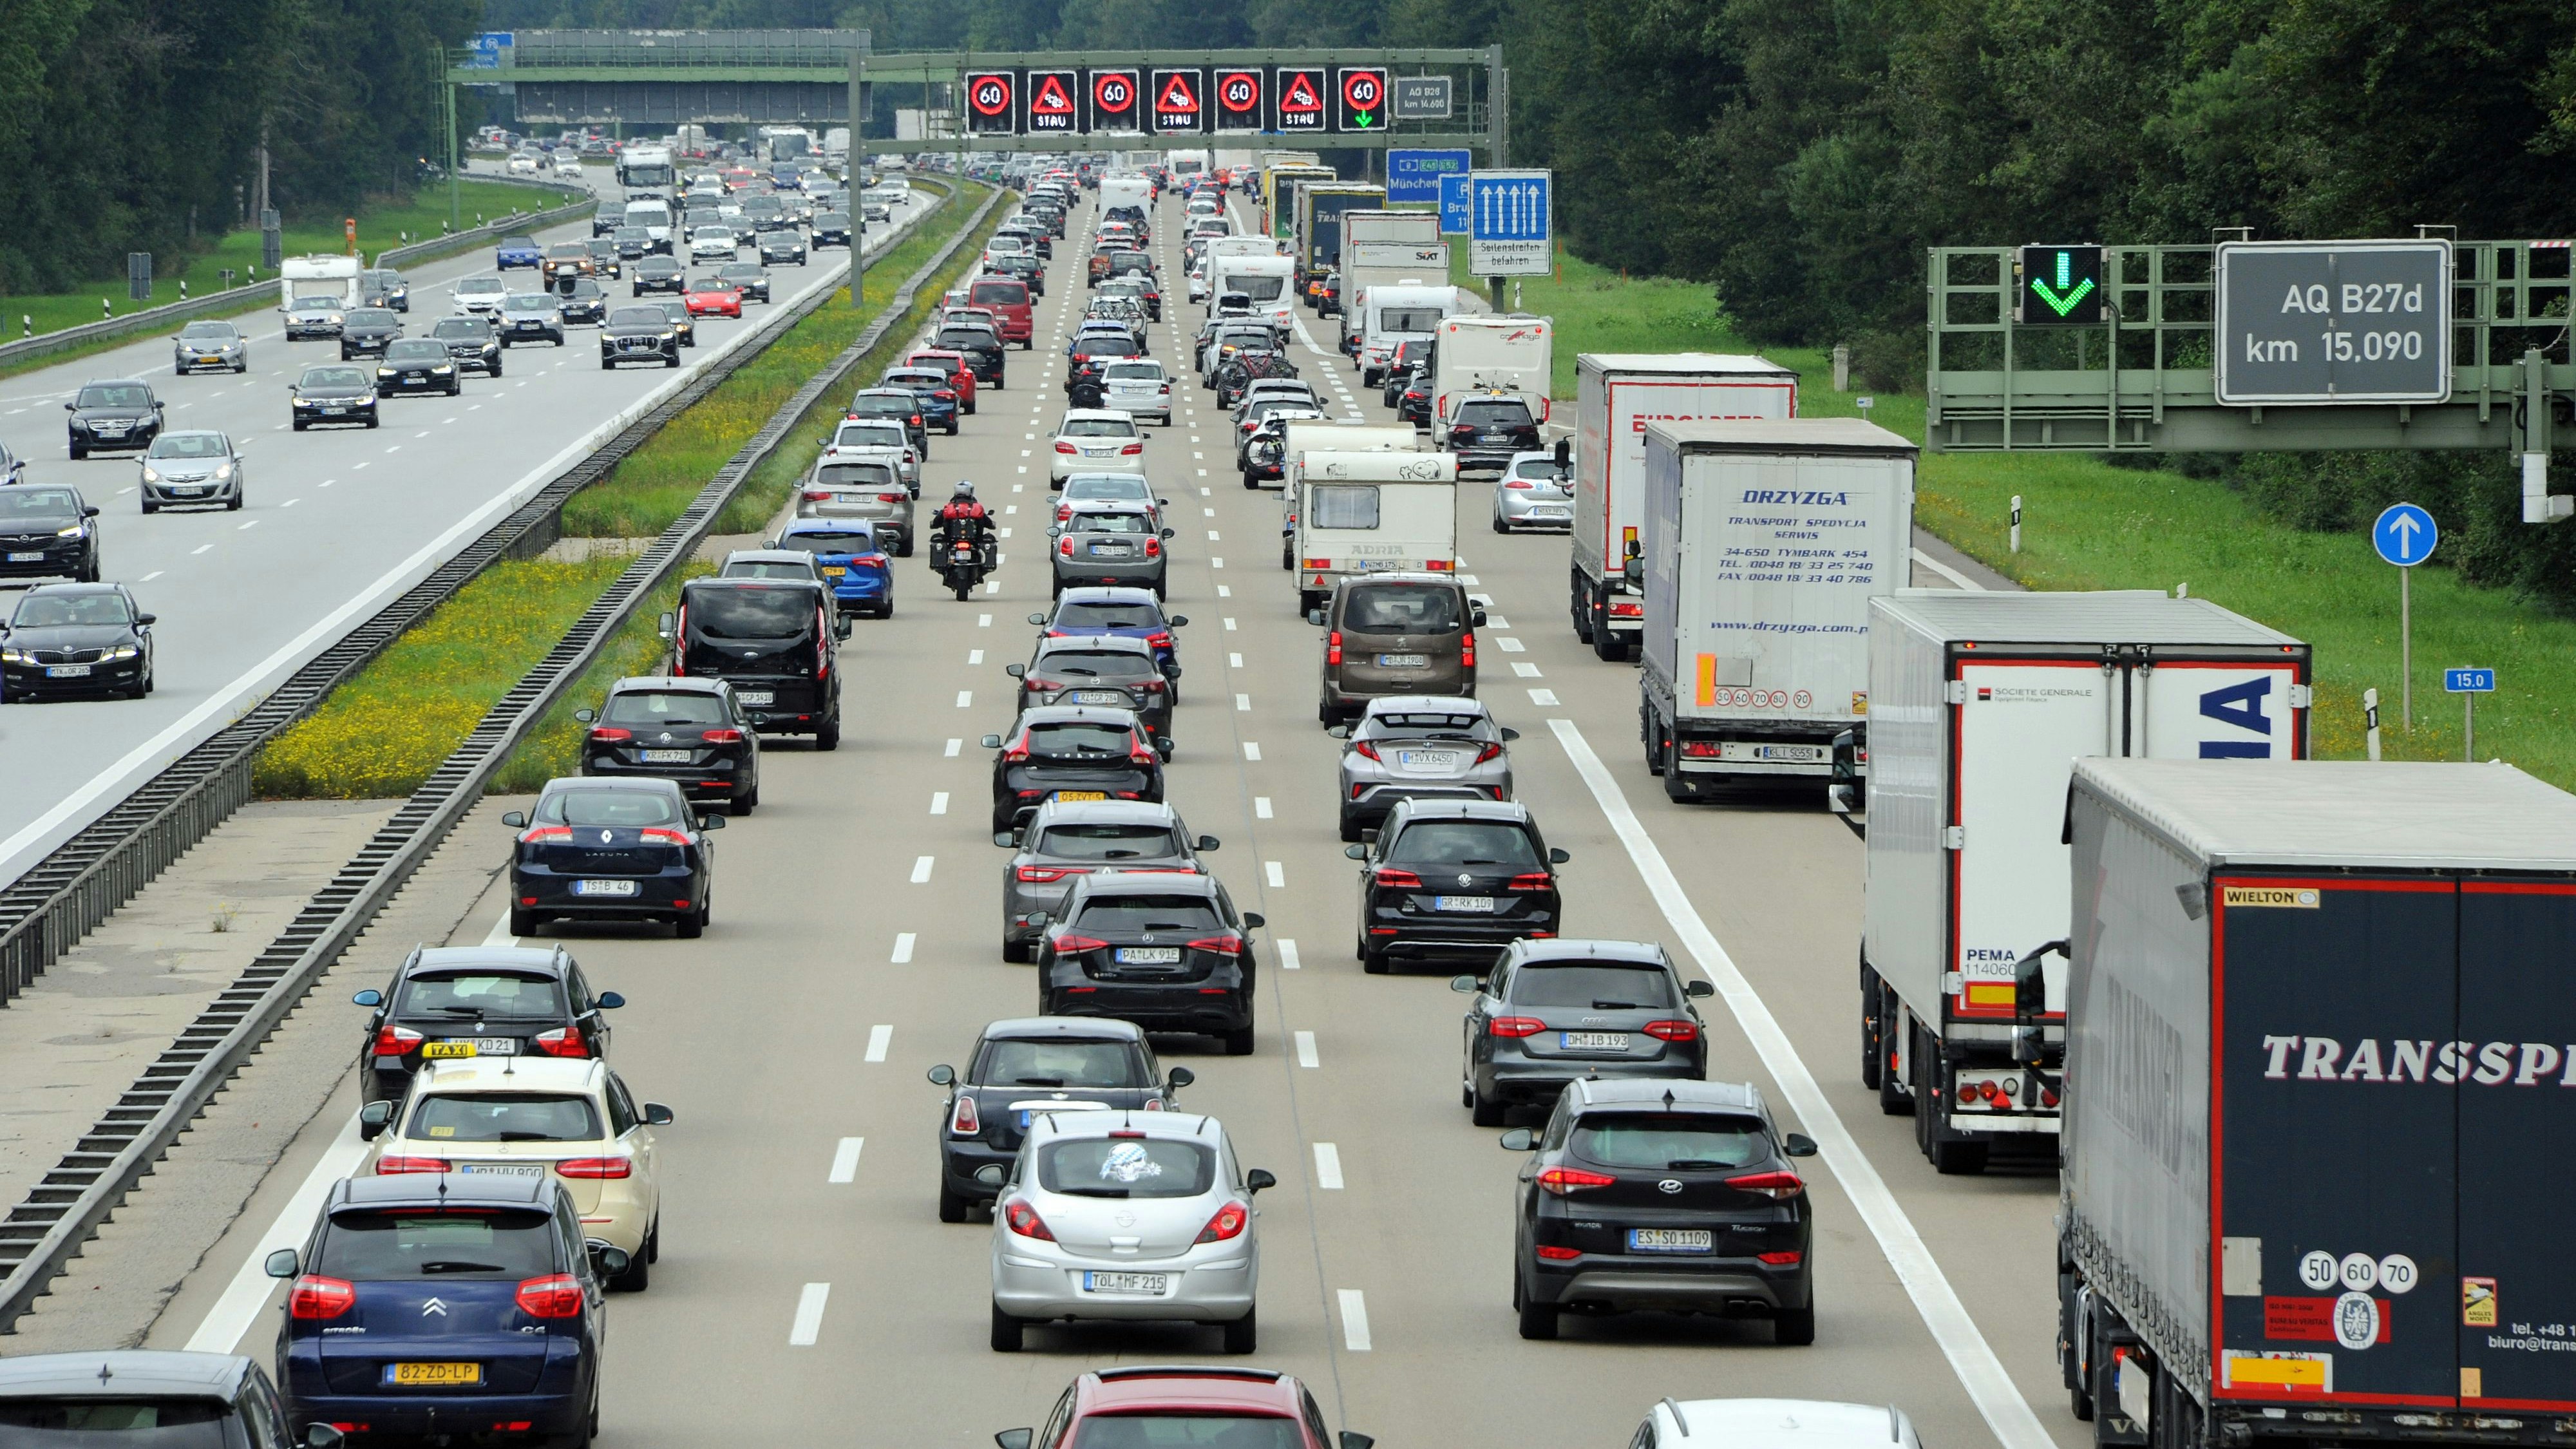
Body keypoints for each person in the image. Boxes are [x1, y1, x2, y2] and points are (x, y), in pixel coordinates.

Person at [930, 480, 994, 571]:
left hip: (952, 541)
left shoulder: (950, 507)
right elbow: (987, 522)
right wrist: (991, 525)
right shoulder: (976, 508)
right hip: (974, 541)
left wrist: (934, 524)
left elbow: (937, 521)